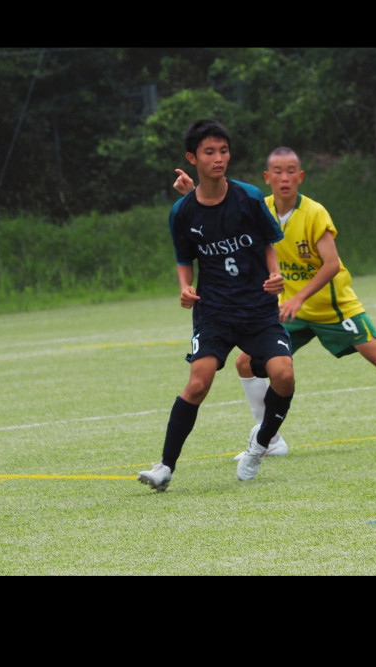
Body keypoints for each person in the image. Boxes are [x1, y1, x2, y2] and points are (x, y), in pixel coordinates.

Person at [174, 147, 376, 461]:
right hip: (288, 311)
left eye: (291, 171)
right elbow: (218, 220)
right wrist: (193, 193)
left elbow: (332, 264)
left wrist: (299, 297)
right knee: (245, 363)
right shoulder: (257, 206)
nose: (285, 178)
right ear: (267, 177)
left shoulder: (314, 213)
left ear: (300, 177)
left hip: (332, 306)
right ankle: (269, 439)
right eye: (278, 172)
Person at [137, 119, 292, 491]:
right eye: (209, 152)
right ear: (192, 158)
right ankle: (165, 467)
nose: (219, 158)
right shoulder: (182, 212)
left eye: (223, 150)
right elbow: (183, 259)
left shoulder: (249, 197)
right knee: (197, 383)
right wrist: (185, 287)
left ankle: (261, 443)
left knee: (284, 375)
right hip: (215, 312)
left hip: (257, 309)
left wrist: (275, 275)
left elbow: (268, 243)